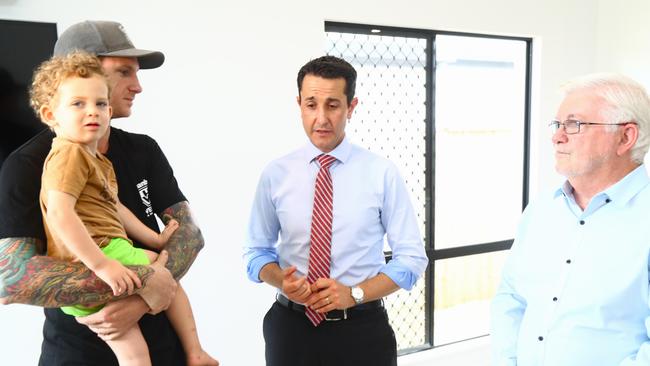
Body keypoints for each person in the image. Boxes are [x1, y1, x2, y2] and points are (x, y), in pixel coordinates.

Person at [0, 21, 207, 366]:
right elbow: (13, 278)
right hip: (78, 353)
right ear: (80, 71)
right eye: (124, 71)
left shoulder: (143, 150)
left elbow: (189, 235)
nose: (138, 87)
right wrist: (140, 280)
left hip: (162, 348)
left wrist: (142, 298)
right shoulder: (28, 164)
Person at [244, 55, 429, 366]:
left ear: (351, 107)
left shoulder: (381, 173)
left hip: (362, 332)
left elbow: (411, 259)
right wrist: (280, 280)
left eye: (333, 105)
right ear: (299, 104)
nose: (321, 118)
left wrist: (354, 293)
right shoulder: (275, 174)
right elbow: (255, 252)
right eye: (311, 104)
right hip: (290, 331)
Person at [491, 73, 650, 366]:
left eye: (574, 124)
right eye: (557, 124)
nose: (557, 136)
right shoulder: (541, 211)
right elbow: (511, 297)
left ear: (625, 137)